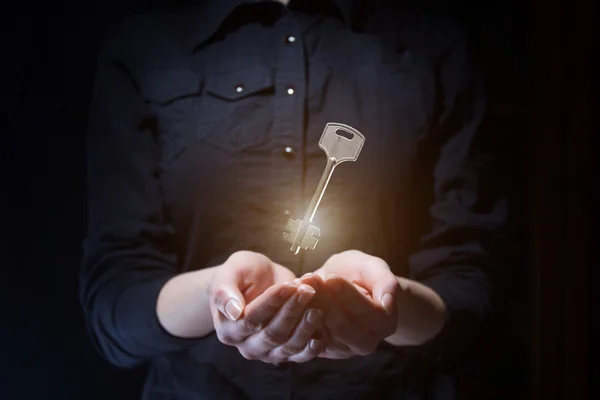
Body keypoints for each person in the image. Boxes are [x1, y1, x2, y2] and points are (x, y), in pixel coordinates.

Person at [79, 0, 508, 398]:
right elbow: (116, 304)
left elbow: (470, 277)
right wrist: (215, 292)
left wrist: (389, 305)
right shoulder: (144, 47)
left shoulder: (431, 44)